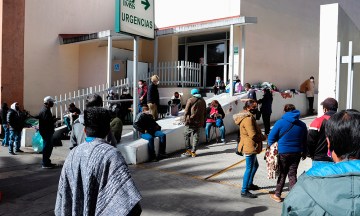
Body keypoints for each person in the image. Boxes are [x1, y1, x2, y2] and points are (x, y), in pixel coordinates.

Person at [55, 107, 142, 216]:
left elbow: (62, 200)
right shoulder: (112, 155)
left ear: (85, 131)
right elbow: (127, 204)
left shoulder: (72, 155)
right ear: (109, 130)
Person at [282, 110, 360, 215]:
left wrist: (310, 154)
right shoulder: (302, 124)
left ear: (329, 144)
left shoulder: (303, 188)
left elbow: (309, 141)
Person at [268, 104, 308, 202]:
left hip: (283, 153)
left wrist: (274, 147)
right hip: (297, 153)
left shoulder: (280, 122)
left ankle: (277, 195)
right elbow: (305, 140)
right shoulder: (302, 124)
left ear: (284, 111)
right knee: (292, 174)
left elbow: (271, 137)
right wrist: (305, 152)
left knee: (282, 174)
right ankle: (293, 198)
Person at [233, 99, 267, 198]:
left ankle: (249, 184)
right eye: (253, 107)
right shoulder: (248, 119)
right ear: (247, 108)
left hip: (251, 146)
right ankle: (244, 190)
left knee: (255, 165)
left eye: (256, 107)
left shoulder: (249, 117)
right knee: (249, 168)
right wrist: (263, 137)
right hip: (249, 147)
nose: (256, 109)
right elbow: (252, 135)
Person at [307, 97, 338, 167]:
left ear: (325, 109)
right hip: (338, 160)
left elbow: (310, 141)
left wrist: (311, 155)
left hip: (319, 159)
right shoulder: (342, 121)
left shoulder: (317, 122)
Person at [182, 89, 207, 158]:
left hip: (191, 122)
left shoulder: (190, 100)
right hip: (199, 123)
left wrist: (184, 121)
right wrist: (202, 120)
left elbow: (186, 111)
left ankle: (188, 151)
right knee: (196, 137)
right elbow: (205, 112)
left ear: (192, 94)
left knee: (186, 135)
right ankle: (193, 152)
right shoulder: (203, 100)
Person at [39, 97, 60, 167]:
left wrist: (53, 120)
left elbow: (47, 121)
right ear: (48, 102)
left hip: (47, 132)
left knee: (49, 147)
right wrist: (52, 121)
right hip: (47, 132)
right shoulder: (45, 111)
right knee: (47, 148)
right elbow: (45, 123)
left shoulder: (46, 110)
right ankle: (45, 163)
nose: (53, 103)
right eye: (51, 102)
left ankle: (47, 162)